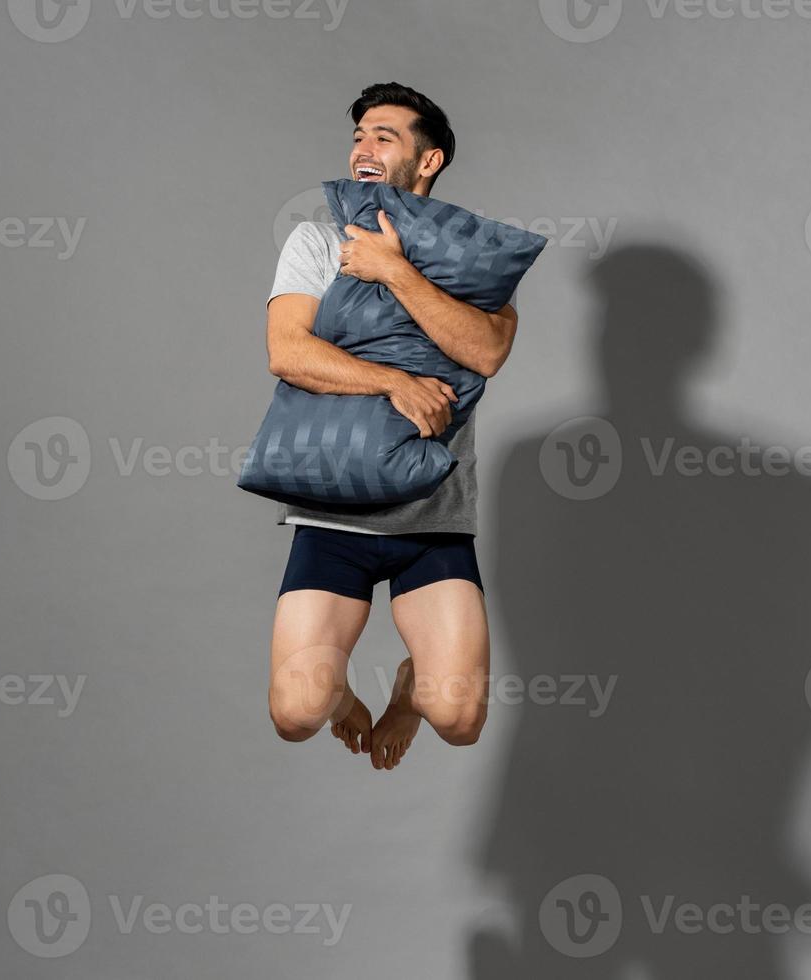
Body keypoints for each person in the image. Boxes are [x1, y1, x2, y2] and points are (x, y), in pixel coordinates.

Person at [266, 82, 520, 770]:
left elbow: (488, 351)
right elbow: (287, 352)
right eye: (357, 137)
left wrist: (394, 271)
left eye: (384, 136)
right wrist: (394, 381)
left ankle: (411, 689)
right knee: (295, 712)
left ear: (428, 160)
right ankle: (344, 696)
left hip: (431, 519)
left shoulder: (476, 257)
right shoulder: (318, 241)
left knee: (459, 716)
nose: (363, 149)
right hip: (334, 515)